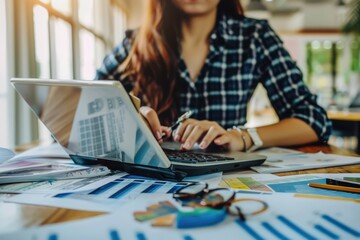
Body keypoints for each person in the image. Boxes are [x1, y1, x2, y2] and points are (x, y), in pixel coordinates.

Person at [95, 0, 331, 153]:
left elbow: (313, 120)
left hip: (229, 182)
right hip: (147, 179)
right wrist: (132, 117)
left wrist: (242, 137)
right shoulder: (135, 45)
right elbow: (83, 111)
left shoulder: (255, 38)